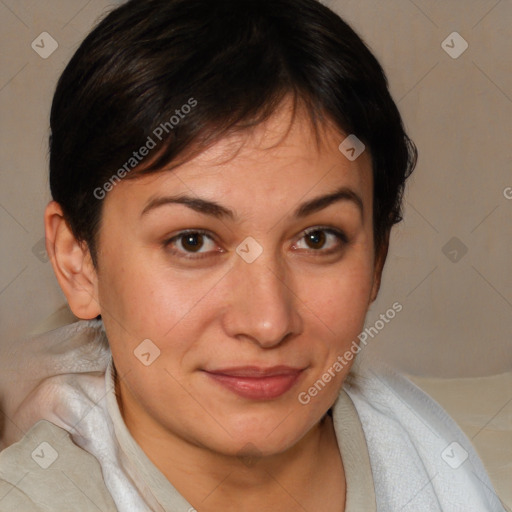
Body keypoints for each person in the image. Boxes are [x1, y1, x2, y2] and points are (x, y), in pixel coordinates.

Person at [0, 0, 506, 510]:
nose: (268, 322)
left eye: (317, 238)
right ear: (77, 262)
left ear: (376, 260)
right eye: (193, 241)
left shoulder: (429, 457)